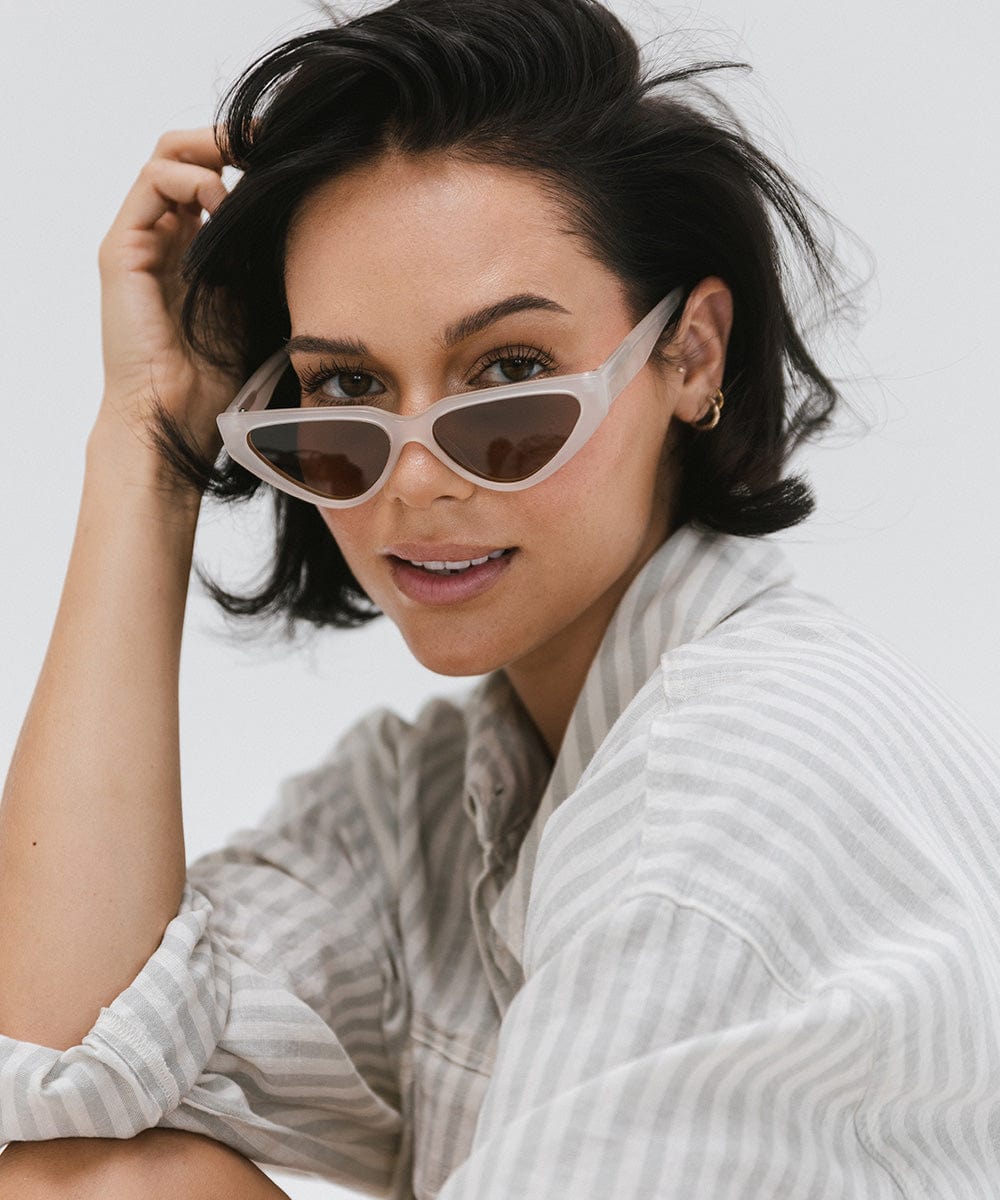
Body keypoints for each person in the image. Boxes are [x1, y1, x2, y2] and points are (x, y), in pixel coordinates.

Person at [1, 0, 998, 1196]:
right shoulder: (444, 800)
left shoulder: (729, 799)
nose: (414, 479)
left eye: (511, 377)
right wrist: (149, 439)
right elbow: (60, 1073)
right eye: (348, 386)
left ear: (689, 356)